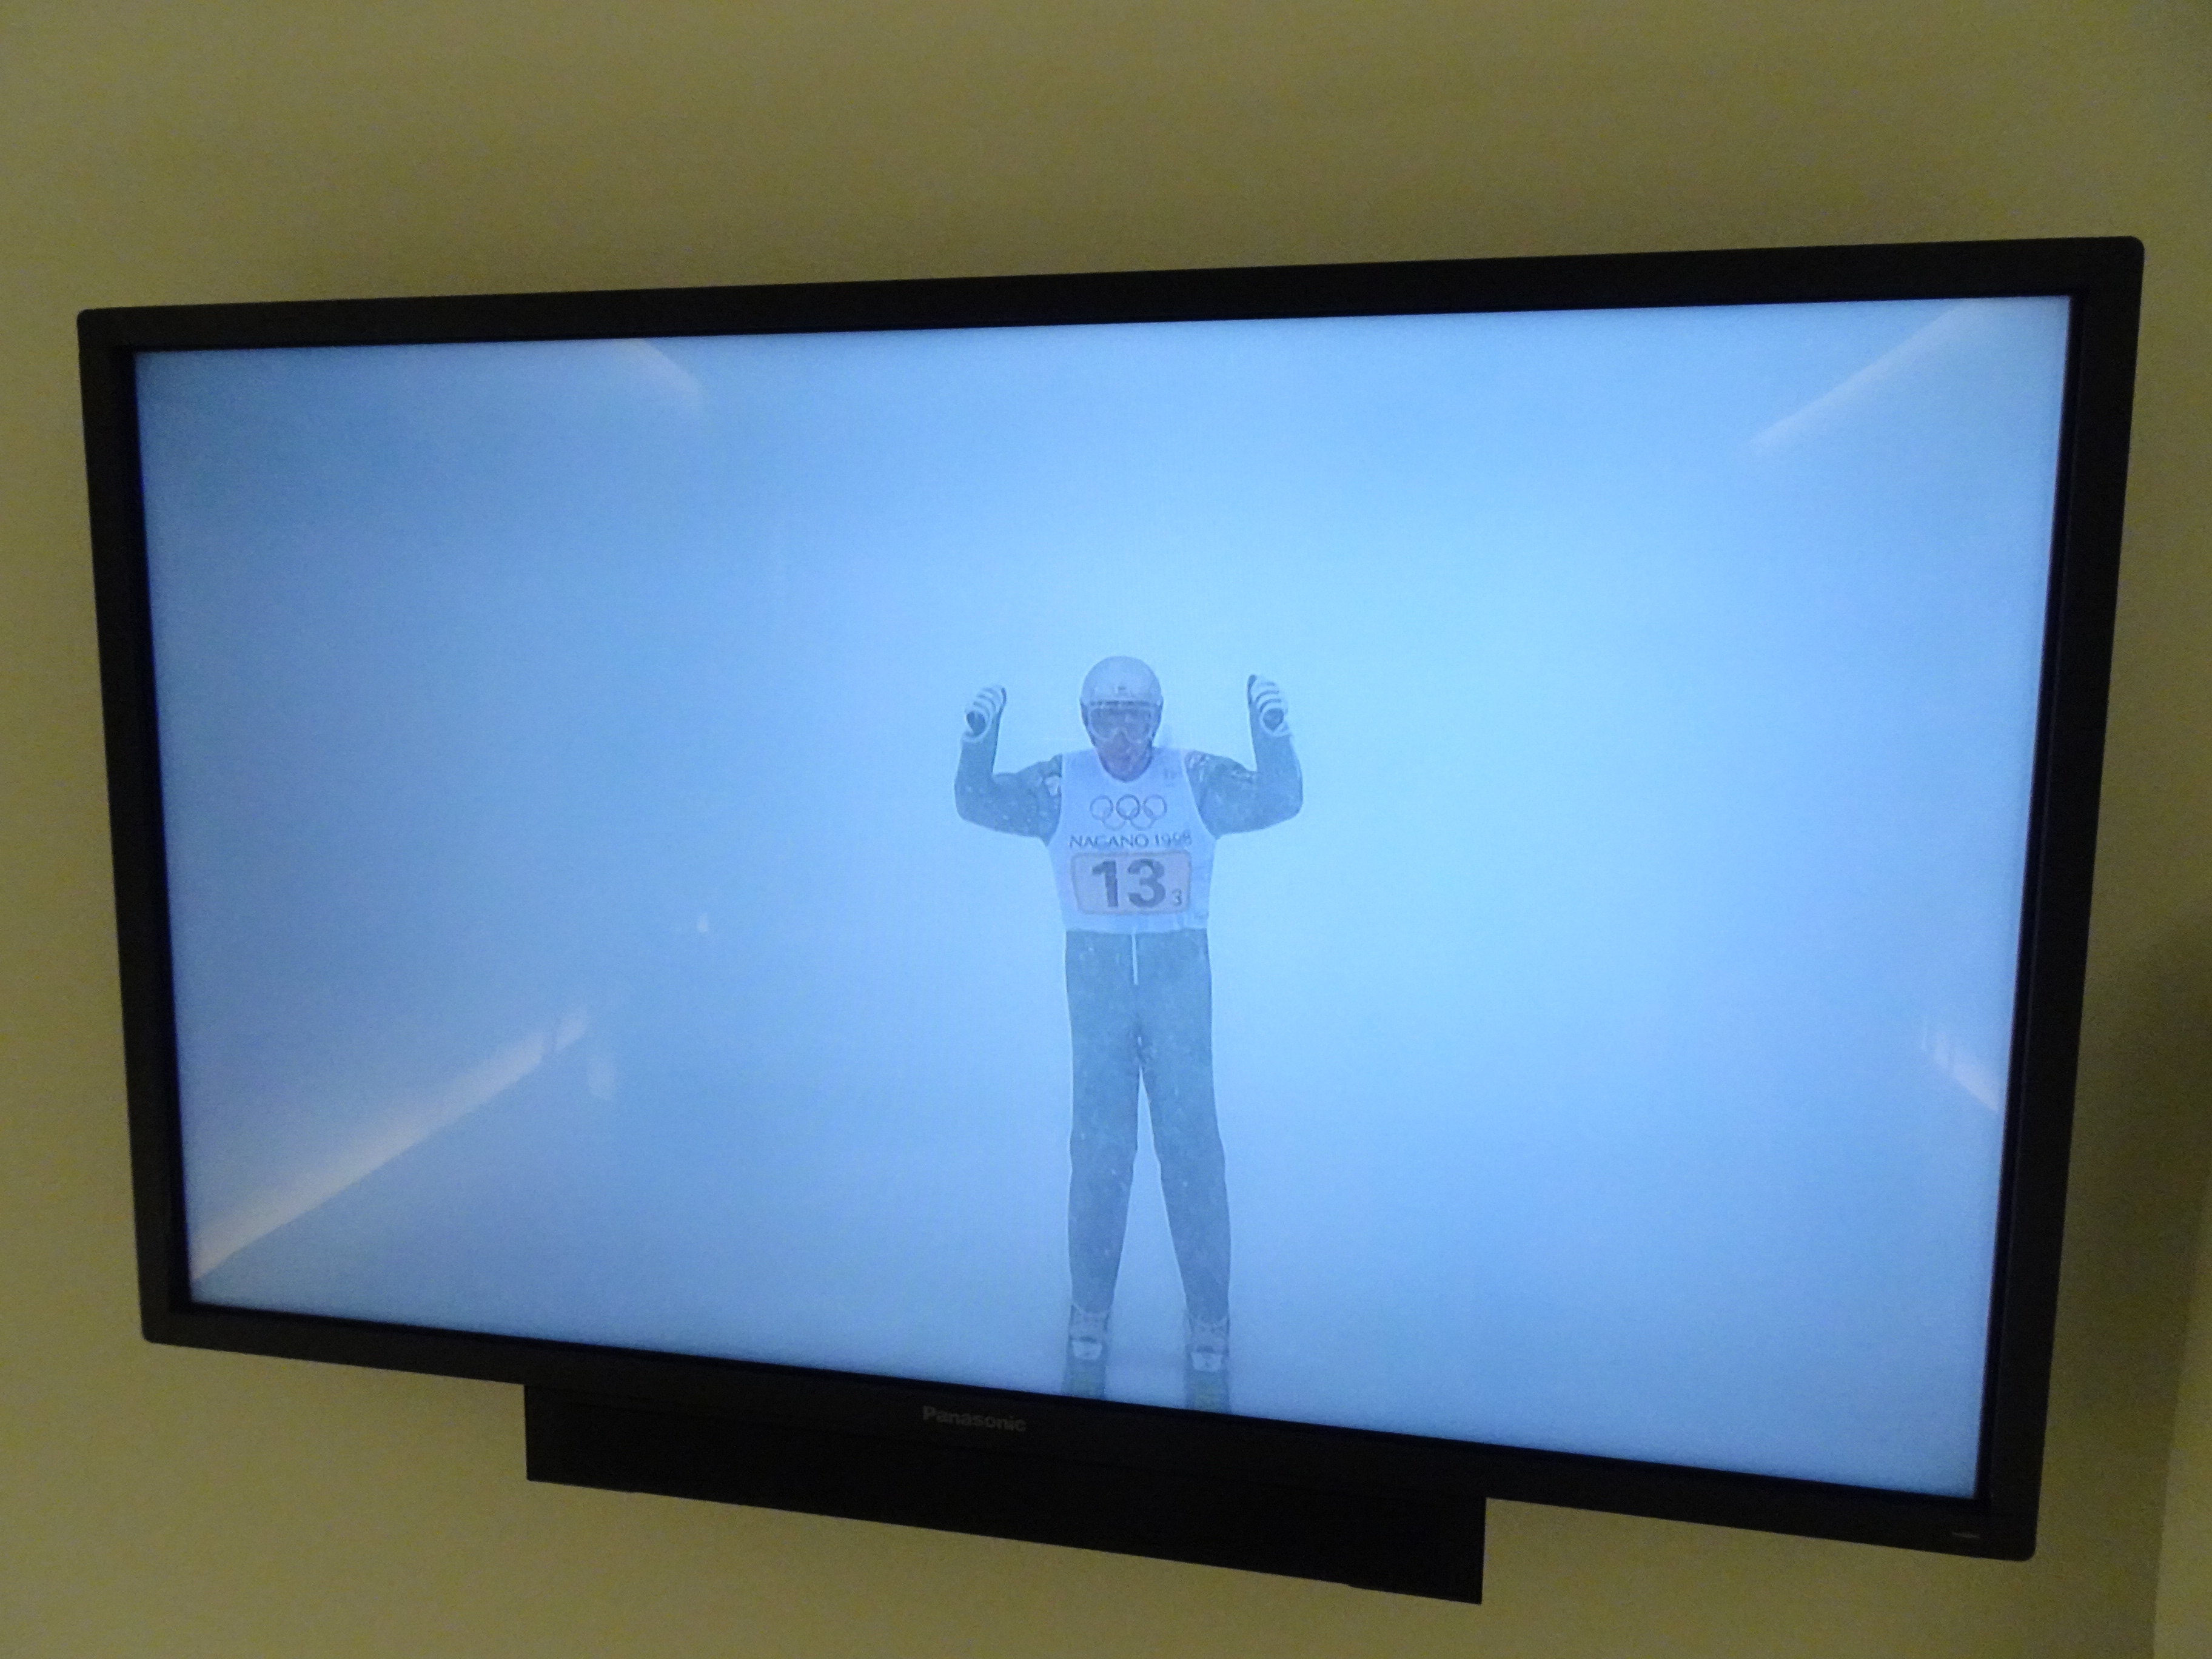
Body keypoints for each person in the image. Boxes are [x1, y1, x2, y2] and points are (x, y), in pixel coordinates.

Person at [956, 657, 1301, 1410]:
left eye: (1136, 719)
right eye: (1107, 719)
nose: (1122, 738)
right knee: (1100, 1158)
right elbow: (977, 801)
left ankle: (1210, 1322)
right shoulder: (1062, 784)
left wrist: (1271, 731)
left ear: (1156, 720)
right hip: (1100, 1001)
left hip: (1178, 998)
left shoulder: (1192, 779)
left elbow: (1279, 798)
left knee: (1192, 1156)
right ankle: (1089, 1314)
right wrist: (979, 737)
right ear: (1086, 722)